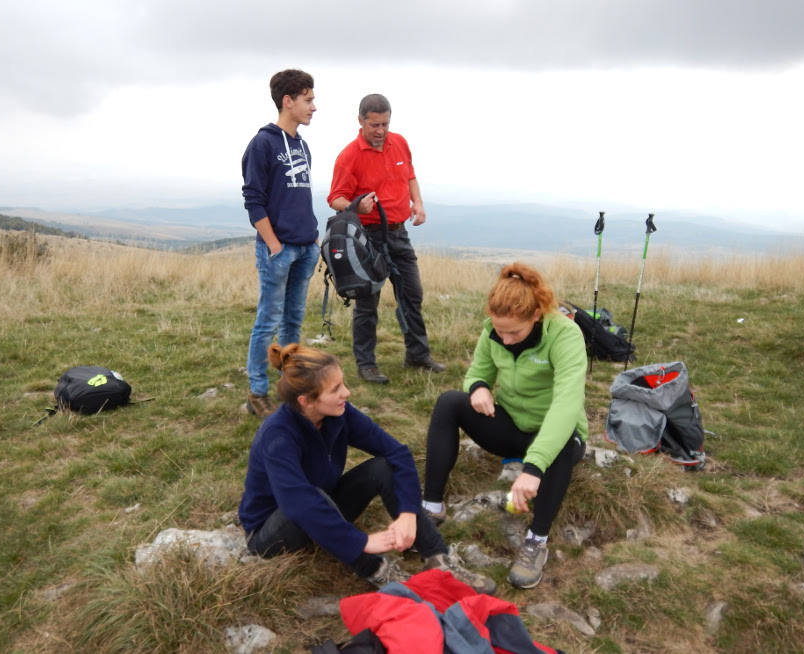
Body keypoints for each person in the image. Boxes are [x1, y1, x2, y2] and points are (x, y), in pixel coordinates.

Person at [238, 343, 496, 594]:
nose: (347, 393)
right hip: (273, 533)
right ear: (306, 401)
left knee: (384, 467)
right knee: (312, 495)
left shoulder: (339, 413)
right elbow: (298, 503)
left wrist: (407, 513)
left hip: (323, 508)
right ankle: (376, 569)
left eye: (344, 383)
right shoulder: (278, 434)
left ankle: (438, 560)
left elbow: (397, 453)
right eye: (336, 389)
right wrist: (362, 541)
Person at [421, 263, 588, 589]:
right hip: (512, 427)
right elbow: (477, 371)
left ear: (537, 314)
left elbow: (566, 406)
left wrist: (534, 466)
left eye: (515, 332)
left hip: (557, 436)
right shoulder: (493, 330)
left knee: (565, 441)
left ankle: (536, 541)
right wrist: (480, 386)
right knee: (449, 402)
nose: (506, 339)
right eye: (500, 331)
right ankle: (432, 507)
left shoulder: (565, 335)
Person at [327, 93, 445, 385]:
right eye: (374, 125)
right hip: (367, 238)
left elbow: (410, 177)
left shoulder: (400, 143)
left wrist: (417, 203)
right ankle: (366, 364)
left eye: (385, 124)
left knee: (412, 294)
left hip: (399, 233)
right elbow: (335, 198)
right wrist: (356, 205)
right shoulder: (348, 156)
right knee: (368, 303)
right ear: (361, 122)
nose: (380, 131)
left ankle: (417, 355)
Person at [241, 69, 321, 418]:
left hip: (305, 246)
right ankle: (258, 391)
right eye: (308, 99)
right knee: (268, 319)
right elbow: (253, 200)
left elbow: (299, 197)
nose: (314, 107)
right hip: (279, 249)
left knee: (294, 319)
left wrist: (313, 237)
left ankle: (292, 384)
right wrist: (273, 244)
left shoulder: (302, 144)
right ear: (287, 101)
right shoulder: (262, 144)